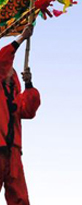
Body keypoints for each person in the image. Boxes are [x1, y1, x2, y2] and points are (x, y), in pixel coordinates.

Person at [0, 25, 40, 205]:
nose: (11, 70)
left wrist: (29, 85)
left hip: (13, 151)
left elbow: (28, 110)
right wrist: (21, 38)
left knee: (20, 197)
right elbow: (2, 58)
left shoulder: (13, 95)